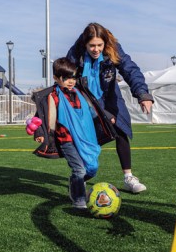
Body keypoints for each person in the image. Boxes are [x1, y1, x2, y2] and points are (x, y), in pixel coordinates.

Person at [66, 22, 154, 194]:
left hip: (110, 94)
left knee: (121, 130)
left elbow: (130, 70)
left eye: (100, 45)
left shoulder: (113, 48)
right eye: (92, 45)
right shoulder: (75, 54)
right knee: (87, 137)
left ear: (105, 43)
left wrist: (142, 94)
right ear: (85, 43)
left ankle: (128, 177)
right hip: (85, 97)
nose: (96, 49)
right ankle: (80, 176)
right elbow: (66, 77)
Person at [31, 58, 116, 210]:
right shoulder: (52, 96)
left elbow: (94, 109)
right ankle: (79, 200)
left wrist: (108, 117)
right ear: (56, 78)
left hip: (85, 137)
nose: (71, 81)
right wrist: (39, 132)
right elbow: (40, 115)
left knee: (92, 168)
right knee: (80, 169)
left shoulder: (80, 93)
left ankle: (75, 181)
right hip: (67, 140)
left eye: (73, 77)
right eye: (66, 78)